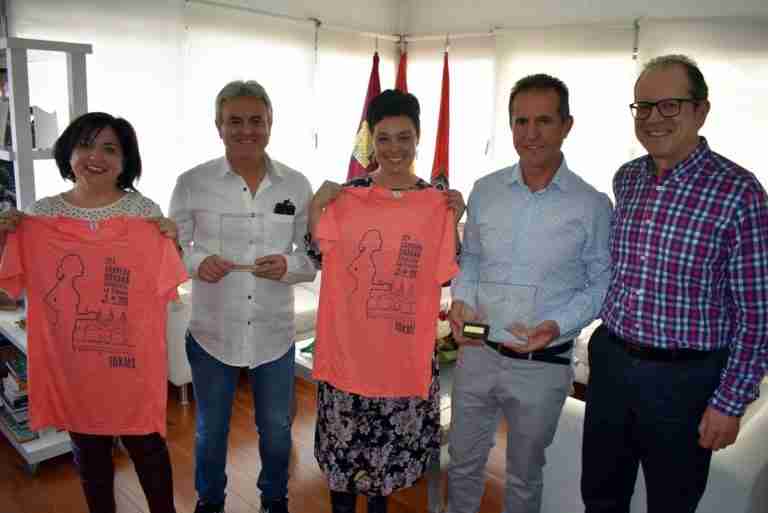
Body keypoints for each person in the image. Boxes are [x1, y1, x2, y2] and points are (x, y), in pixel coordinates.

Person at [581, 54, 768, 513]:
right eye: (643, 107)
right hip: (612, 364)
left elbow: (758, 315)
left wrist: (730, 402)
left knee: (671, 503)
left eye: (669, 105)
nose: (652, 118)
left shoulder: (739, 193)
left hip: (684, 382)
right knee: (600, 496)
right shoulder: (627, 179)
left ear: (701, 111)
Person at [0, 112, 184, 513]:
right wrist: (6, 238)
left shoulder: (144, 213)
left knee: (148, 447)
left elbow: (169, 280)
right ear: (68, 152)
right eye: (85, 145)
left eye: (109, 148)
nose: (95, 157)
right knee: (89, 454)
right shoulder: (40, 216)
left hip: (131, 365)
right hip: (73, 366)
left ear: (125, 160)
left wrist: (172, 241)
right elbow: (9, 292)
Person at [446, 74, 613, 513]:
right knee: (462, 463)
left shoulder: (591, 205)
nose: (531, 133)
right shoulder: (486, 190)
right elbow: (472, 259)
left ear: (566, 125)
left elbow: (602, 283)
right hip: (478, 350)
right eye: (521, 121)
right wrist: (461, 299)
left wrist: (557, 324)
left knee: (523, 475)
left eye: (544, 121)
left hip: (543, 363)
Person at [307, 89, 465, 513]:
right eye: (383, 138)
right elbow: (317, 254)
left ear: (418, 138)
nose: (394, 148)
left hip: (401, 361)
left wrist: (454, 220)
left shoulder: (436, 203)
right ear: (371, 141)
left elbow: (448, 272)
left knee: (384, 478)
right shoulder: (347, 196)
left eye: (404, 137)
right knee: (343, 472)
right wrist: (316, 208)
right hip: (349, 357)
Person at [169, 80, 316, 513]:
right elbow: (172, 248)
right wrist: (198, 263)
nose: (246, 130)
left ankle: (275, 499)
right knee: (210, 431)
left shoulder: (296, 184)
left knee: (277, 430)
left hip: (274, 335)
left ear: (270, 123)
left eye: (256, 120)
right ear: (218, 125)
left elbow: (311, 256)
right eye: (235, 121)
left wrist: (289, 266)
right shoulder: (192, 183)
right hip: (212, 333)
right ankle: (210, 501)